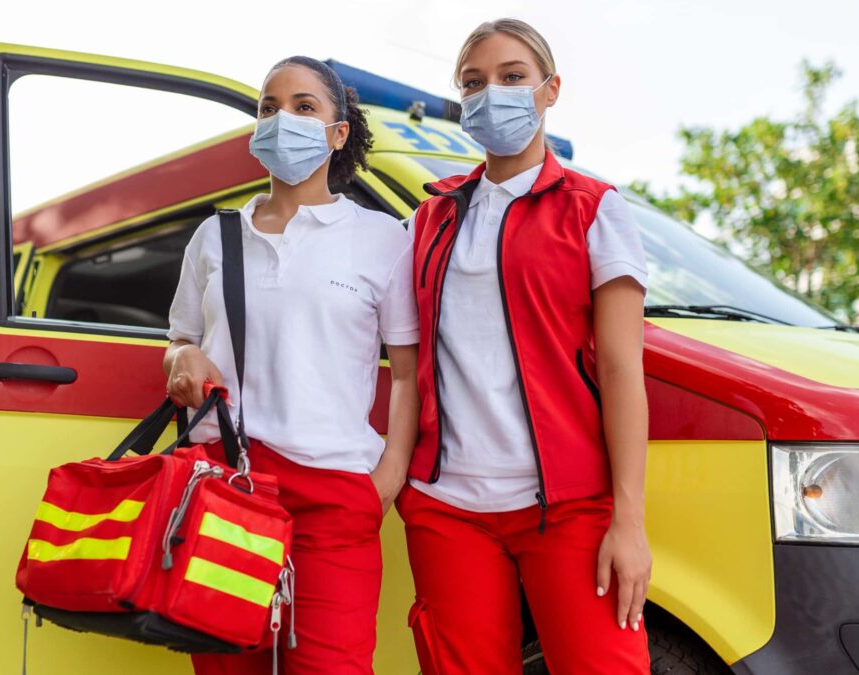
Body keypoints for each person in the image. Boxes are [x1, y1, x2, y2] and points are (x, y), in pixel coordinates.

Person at [397, 18, 653, 674]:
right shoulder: (428, 217)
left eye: (512, 77)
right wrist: (191, 339)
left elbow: (625, 370)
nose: (493, 94)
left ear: (549, 90)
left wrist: (629, 520)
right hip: (446, 505)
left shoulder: (595, 209)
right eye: (474, 83)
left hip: (567, 505)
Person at [163, 55, 420, 674]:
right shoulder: (214, 236)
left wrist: (383, 483)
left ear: (338, 134)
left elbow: (409, 373)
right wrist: (184, 356)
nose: (283, 119)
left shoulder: (383, 238)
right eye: (269, 108)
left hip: (336, 497)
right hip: (225, 486)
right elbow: (176, 342)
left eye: (305, 107)